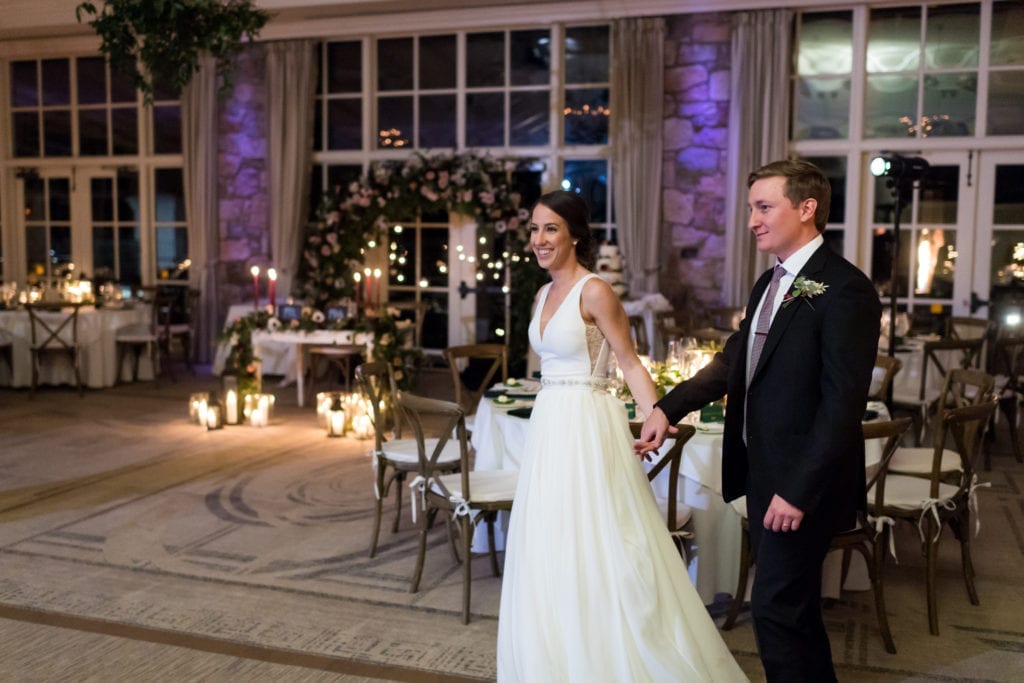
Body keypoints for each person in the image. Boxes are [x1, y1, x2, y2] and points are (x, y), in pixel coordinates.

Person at [638, 159, 881, 682]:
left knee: (774, 607)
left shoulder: (845, 289)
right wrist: (667, 407)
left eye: (764, 207)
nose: (752, 219)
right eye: (752, 207)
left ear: (807, 208)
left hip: (802, 483)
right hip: (764, 471)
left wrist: (798, 491)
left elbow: (842, 405)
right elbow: (733, 362)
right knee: (791, 610)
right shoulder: (769, 282)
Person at [496, 190, 746, 682]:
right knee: (548, 537)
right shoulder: (542, 294)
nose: (539, 239)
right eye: (533, 229)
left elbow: (629, 361)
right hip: (549, 420)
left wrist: (656, 414)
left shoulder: (595, 291)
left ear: (574, 235)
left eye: (550, 229)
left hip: (588, 421)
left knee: (601, 536)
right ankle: (554, 653)